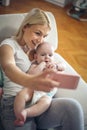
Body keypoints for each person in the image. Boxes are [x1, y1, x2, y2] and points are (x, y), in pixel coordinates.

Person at [0, 8, 84, 130]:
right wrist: (30, 80)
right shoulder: (8, 45)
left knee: (73, 108)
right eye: (38, 33)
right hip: (14, 106)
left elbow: (57, 64)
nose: (40, 40)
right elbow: (9, 67)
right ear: (25, 27)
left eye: (44, 36)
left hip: (39, 102)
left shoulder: (41, 50)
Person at [14, 42, 66, 126]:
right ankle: (19, 116)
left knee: (46, 102)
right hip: (32, 90)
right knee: (21, 95)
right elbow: (31, 74)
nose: (47, 57)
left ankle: (26, 112)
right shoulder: (35, 65)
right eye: (43, 55)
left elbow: (64, 66)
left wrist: (56, 66)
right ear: (36, 57)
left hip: (45, 94)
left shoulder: (55, 65)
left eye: (50, 55)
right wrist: (42, 65)